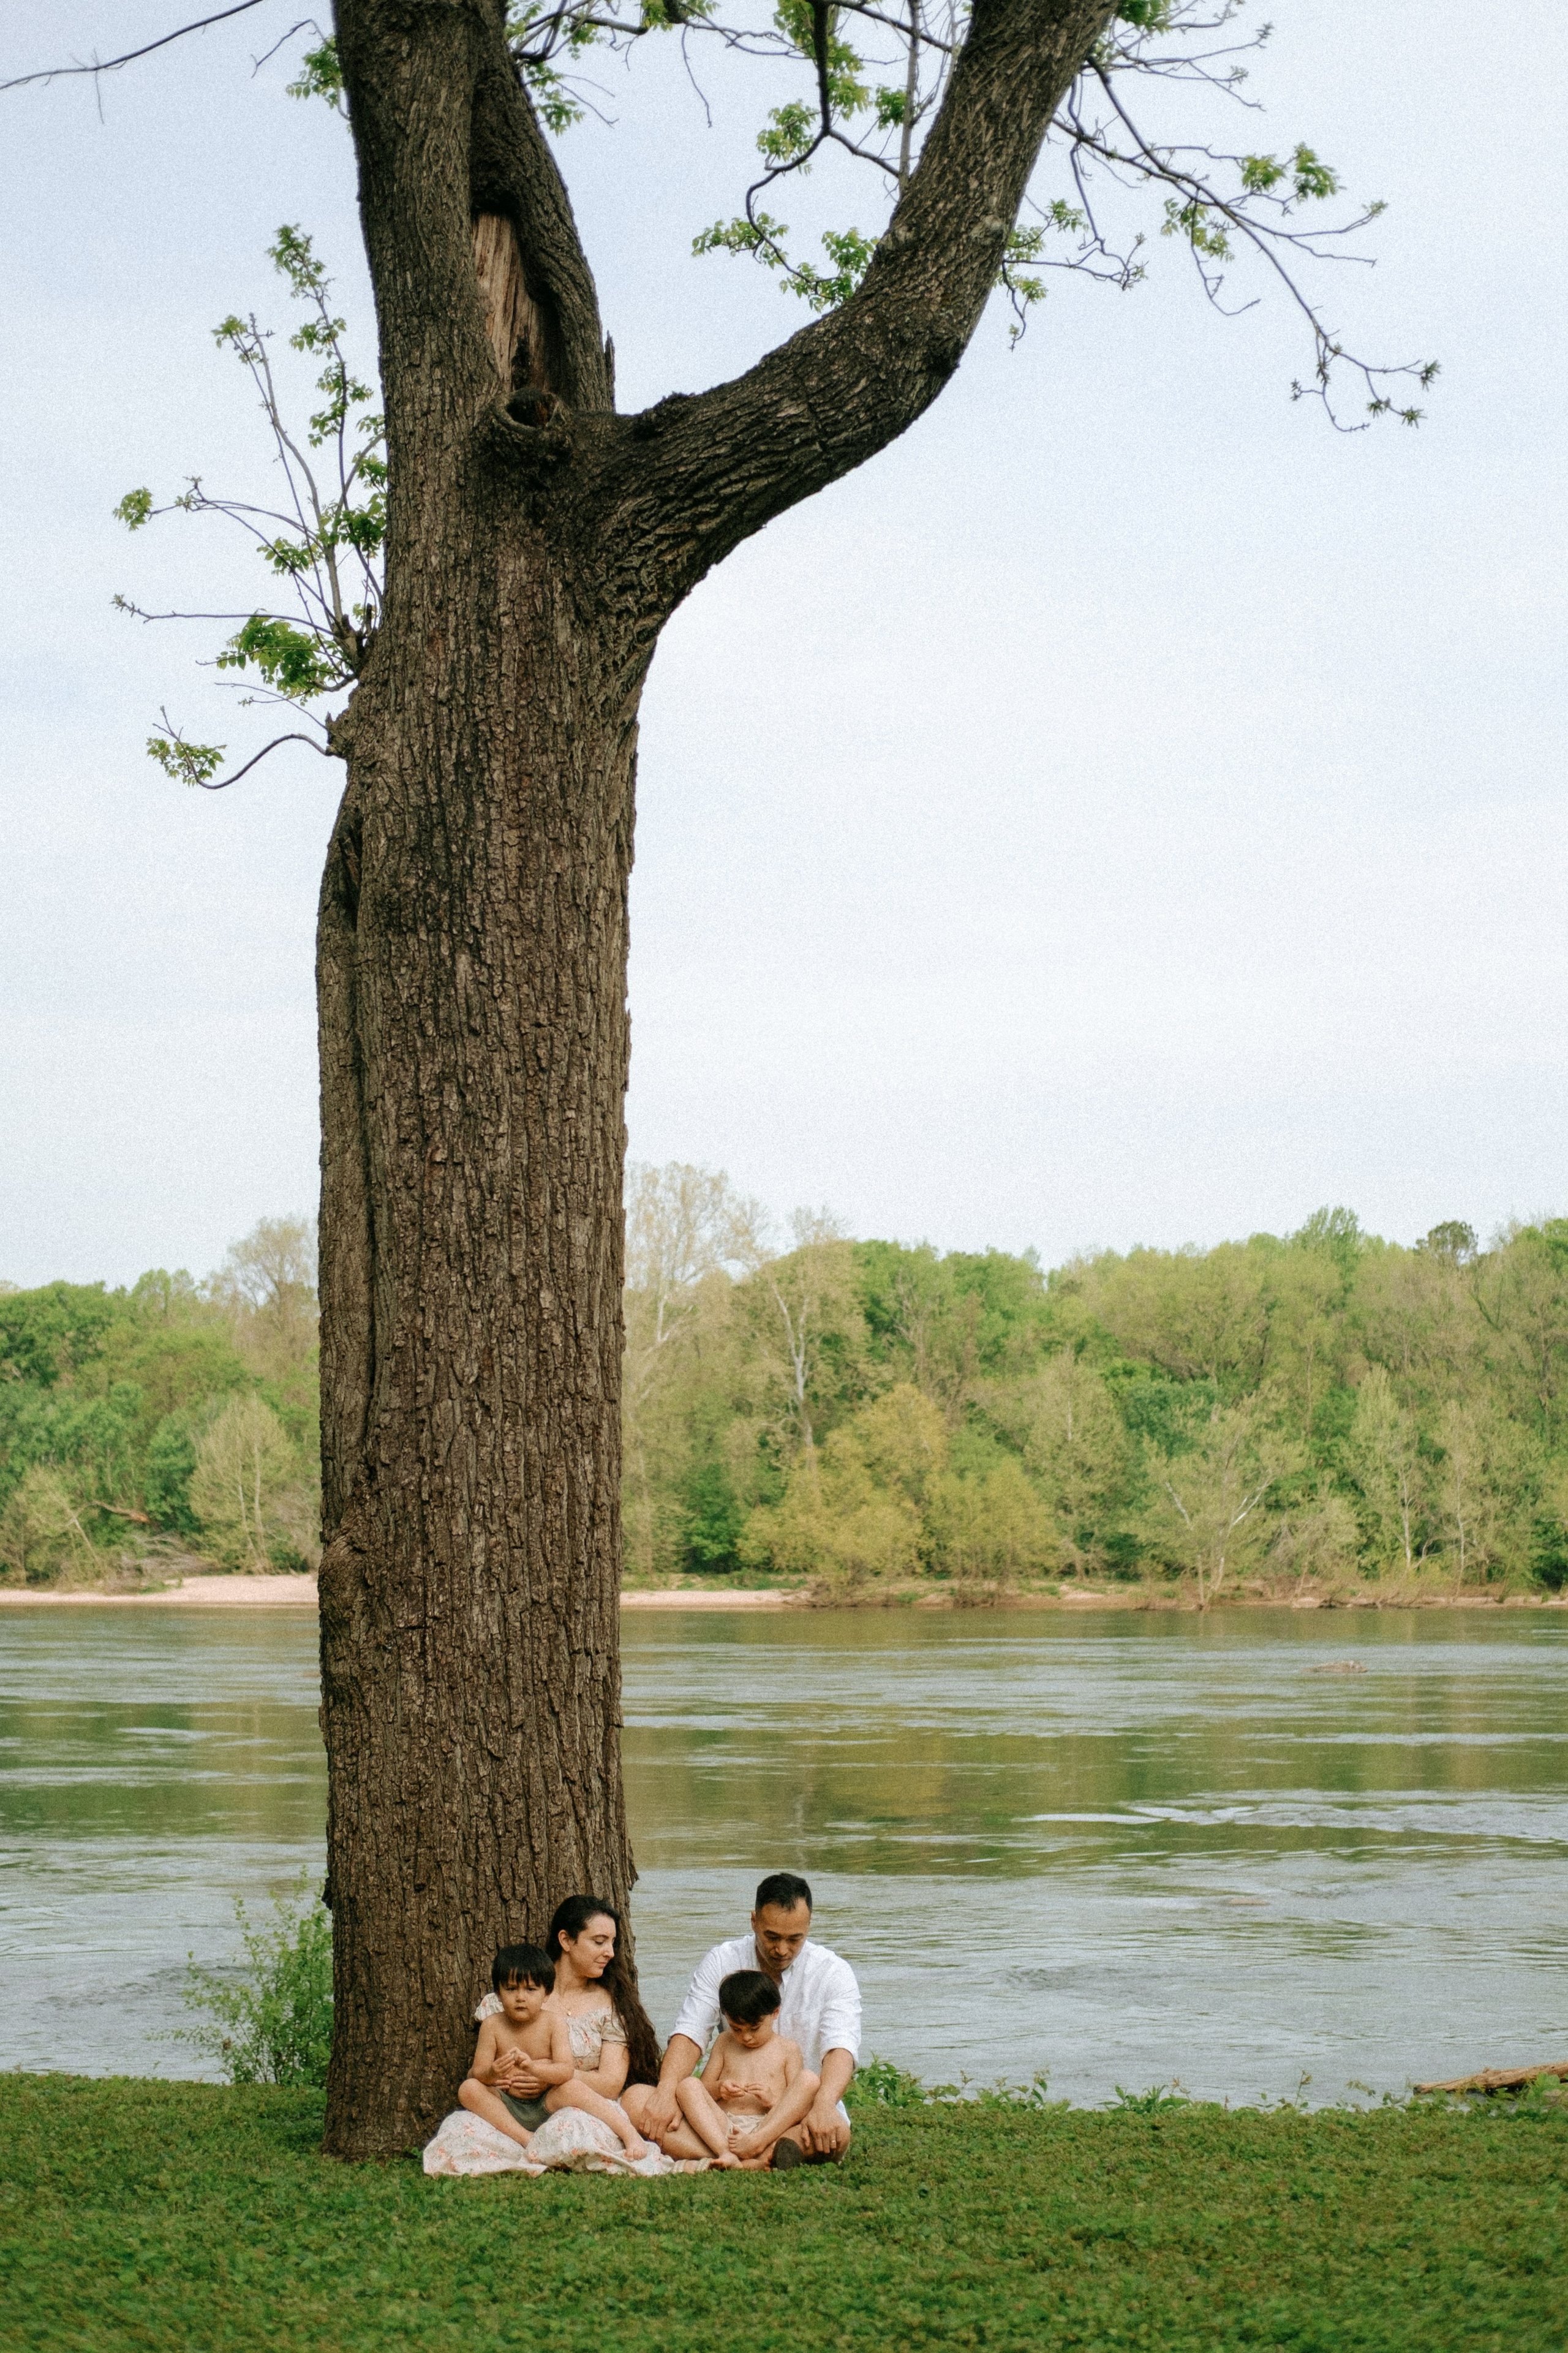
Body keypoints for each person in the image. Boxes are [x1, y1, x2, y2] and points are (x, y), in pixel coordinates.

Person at [625, 1871, 859, 2163]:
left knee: (836, 2132)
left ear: (808, 1926)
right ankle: (748, 2158)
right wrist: (665, 2092)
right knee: (636, 2100)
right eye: (771, 1936)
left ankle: (752, 2152)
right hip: (725, 2120)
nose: (782, 1950)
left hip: (798, 2114)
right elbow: (690, 2033)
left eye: (794, 1939)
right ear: (754, 1921)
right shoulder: (723, 1960)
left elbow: (841, 2049)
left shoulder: (833, 1972)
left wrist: (824, 2105)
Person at [474, 1896, 662, 2152]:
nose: (611, 1952)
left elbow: (610, 2084)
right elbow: (482, 2069)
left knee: (573, 2128)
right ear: (566, 1941)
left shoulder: (613, 2008)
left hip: (575, 2103)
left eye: (613, 1943)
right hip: (511, 2106)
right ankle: (524, 2141)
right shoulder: (516, 1996)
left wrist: (547, 2075)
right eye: (599, 1942)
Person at [673, 1968, 820, 2170]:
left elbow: (797, 2105)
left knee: (809, 2080)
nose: (746, 2037)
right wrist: (720, 2089)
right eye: (737, 2029)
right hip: (724, 2128)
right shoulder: (725, 2042)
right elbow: (704, 2089)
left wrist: (773, 2100)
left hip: (766, 2127)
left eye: (754, 2029)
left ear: (775, 2013)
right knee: (688, 2085)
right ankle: (728, 2154)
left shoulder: (788, 2049)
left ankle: (754, 2150)